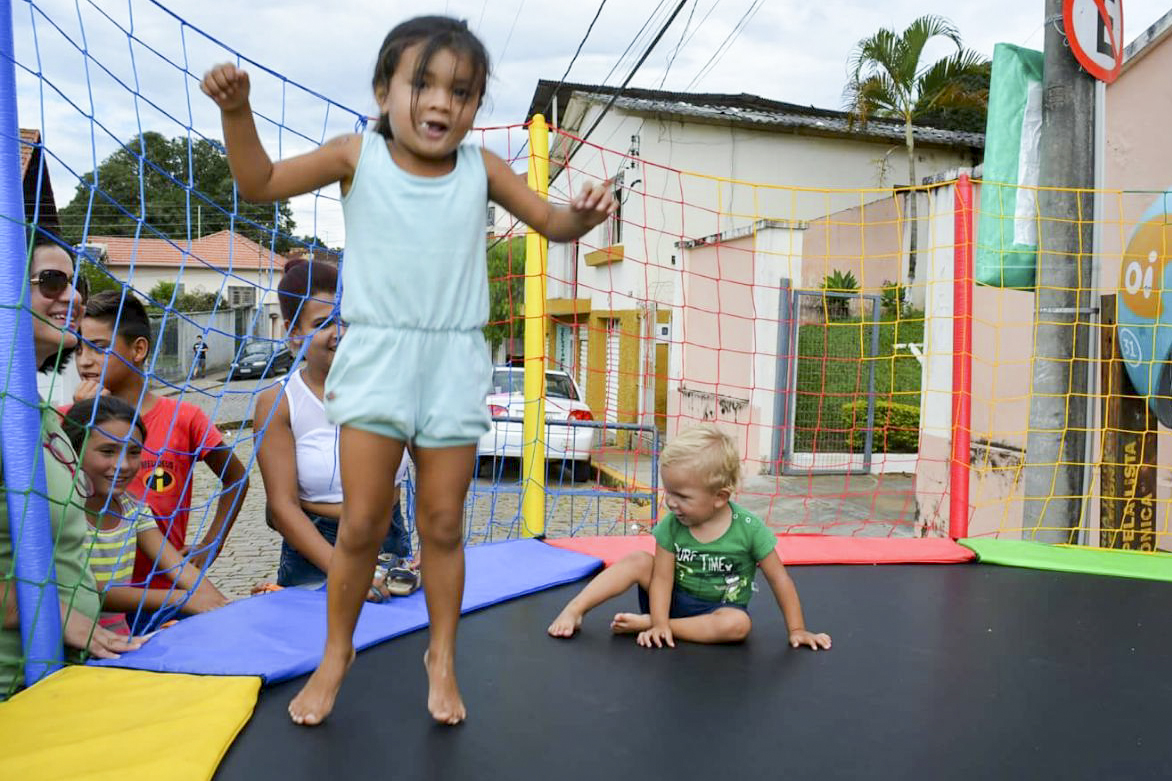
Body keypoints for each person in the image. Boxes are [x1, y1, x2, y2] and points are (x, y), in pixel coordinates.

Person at [202, 14, 615, 726]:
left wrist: (585, 214)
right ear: (383, 89)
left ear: (475, 107)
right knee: (362, 521)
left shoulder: (480, 169)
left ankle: (442, 656)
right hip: (380, 355)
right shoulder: (354, 155)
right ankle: (337, 652)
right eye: (422, 84)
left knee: (443, 522)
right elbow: (260, 182)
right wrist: (237, 112)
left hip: (453, 357)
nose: (441, 103)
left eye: (462, 92)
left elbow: (552, 223)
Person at [0, 229, 142, 698]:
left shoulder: (39, 415)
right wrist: (58, 617)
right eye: (52, 281)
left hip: (62, 676)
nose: (74, 297)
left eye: (74, 282)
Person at [548, 424, 832, 652]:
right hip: (670, 598)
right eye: (668, 492)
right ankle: (575, 609)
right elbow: (661, 578)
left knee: (739, 625)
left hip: (717, 611)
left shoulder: (749, 528)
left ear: (720, 497)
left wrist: (797, 629)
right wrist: (659, 622)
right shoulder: (673, 525)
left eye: (682, 496)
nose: (670, 502)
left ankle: (655, 624)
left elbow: (779, 579)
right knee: (637, 560)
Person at [73, 290, 249, 629]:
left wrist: (212, 541)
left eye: (98, 346)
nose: (84, 360)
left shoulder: (184, 418)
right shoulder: (67, 419)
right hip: (90, 605)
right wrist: (81, 418)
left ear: (138, 349)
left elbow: (237, 478)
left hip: (166, 594)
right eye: (79, 347)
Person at [253, 258, 416, 595]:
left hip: (390, 544)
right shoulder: (281, 401)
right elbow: (282, 507)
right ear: (292, 332)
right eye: (323, 322)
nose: (339, 332)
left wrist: (436, 545)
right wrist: (345, 572)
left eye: (346, 319)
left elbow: (435, 473)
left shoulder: (394, 389)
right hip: (314, 552)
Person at [63, 396, 229, 635]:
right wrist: (179, 598)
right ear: (73, 450)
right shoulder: (63, 510)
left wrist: (222, 606)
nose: (123, 465)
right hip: (67, 646)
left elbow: (178, 567)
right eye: (107, 451)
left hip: (119, 639)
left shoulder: (133, 510)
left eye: (133, 452)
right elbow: (85, 588)